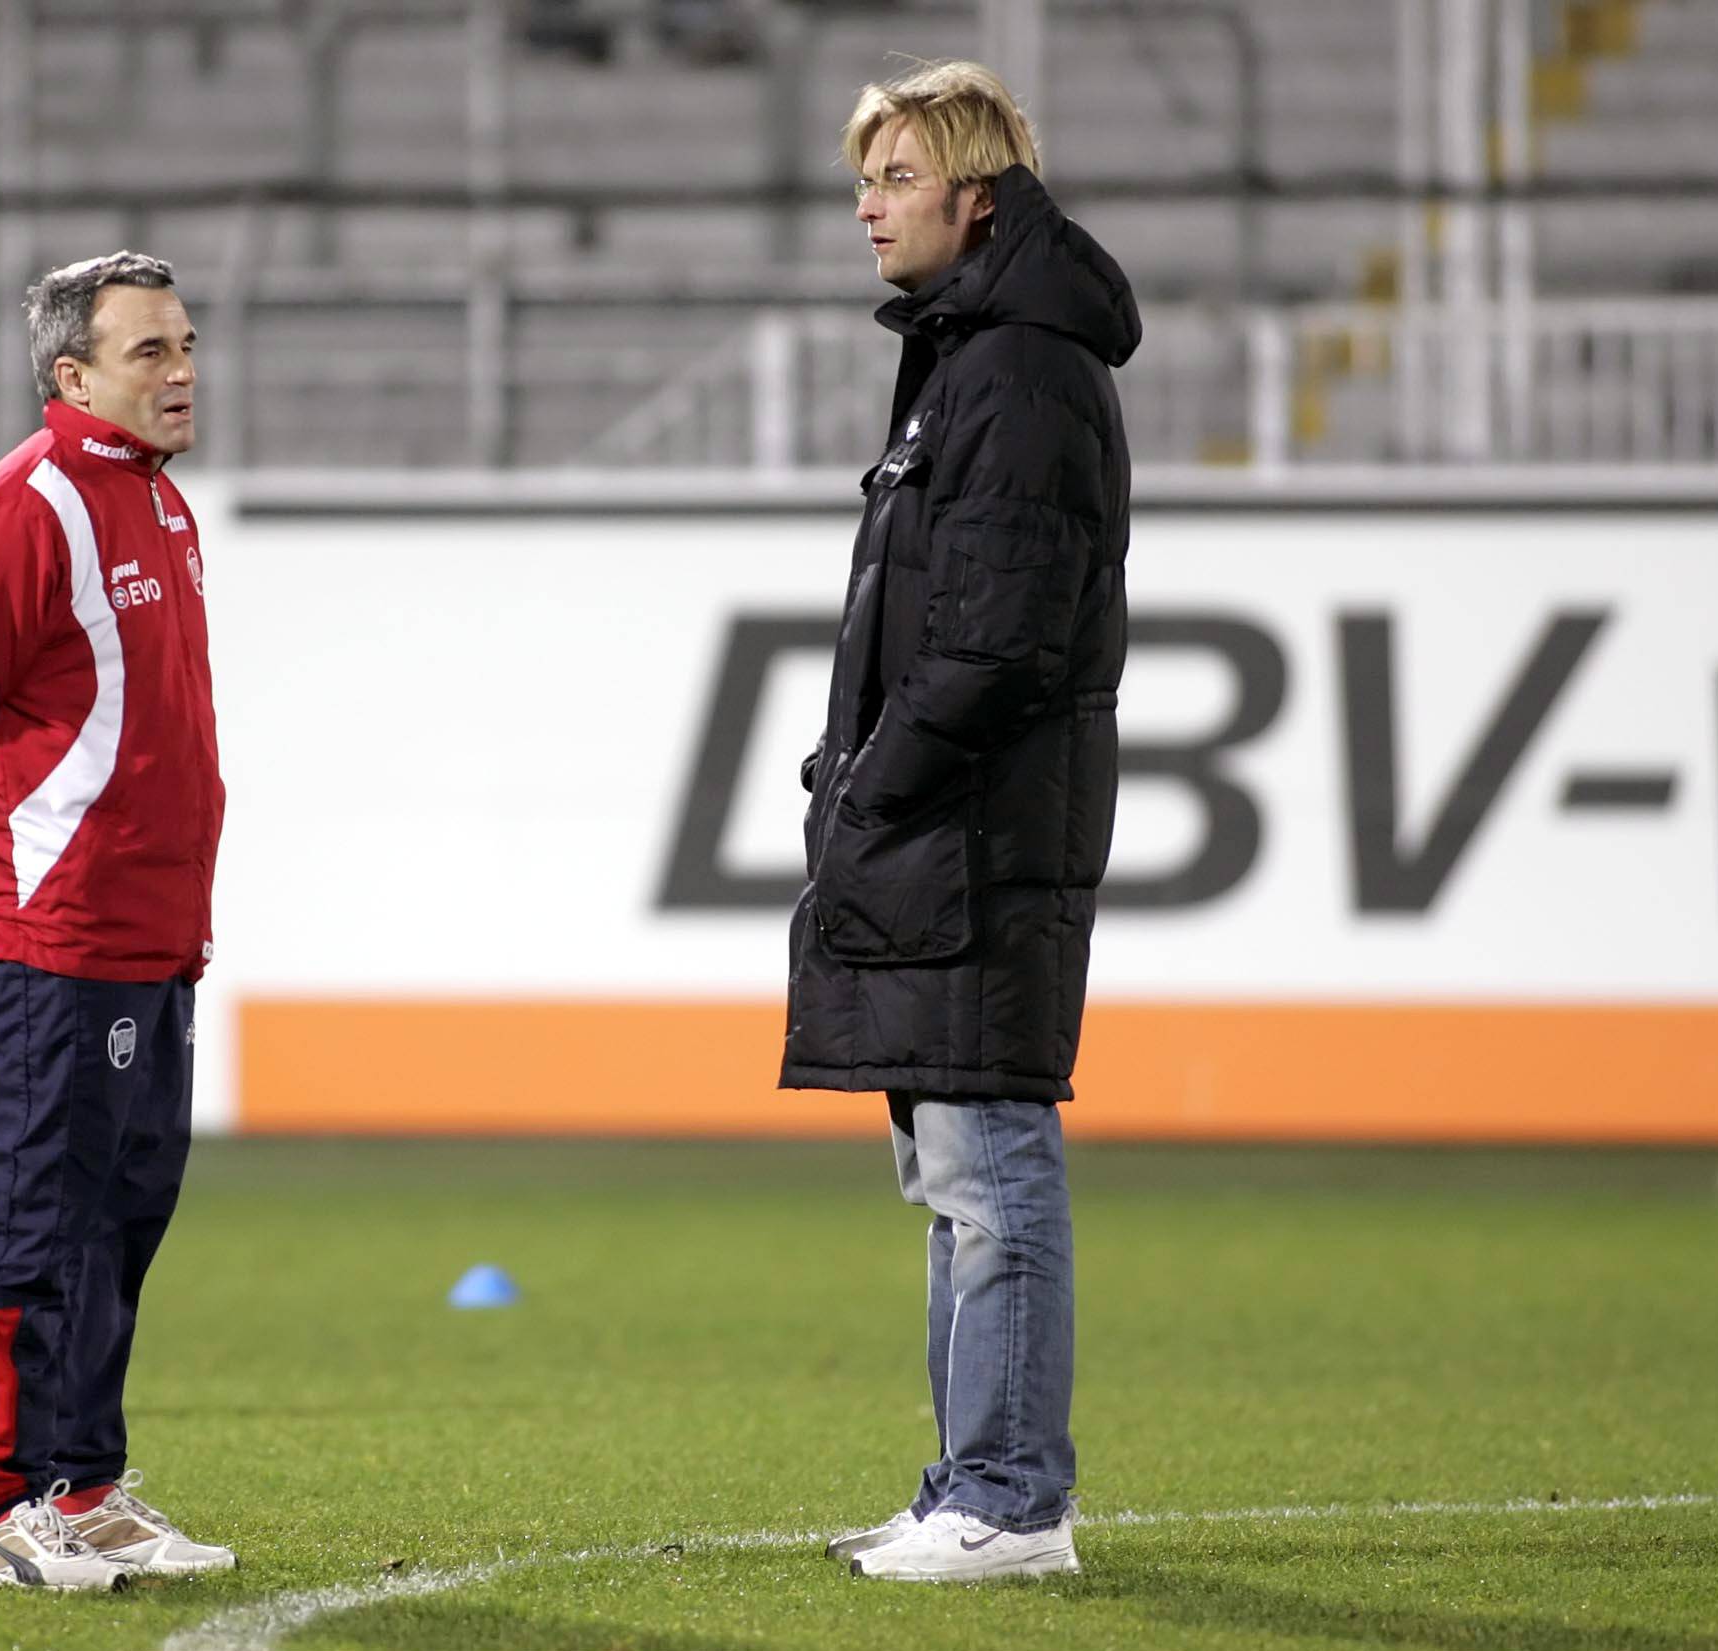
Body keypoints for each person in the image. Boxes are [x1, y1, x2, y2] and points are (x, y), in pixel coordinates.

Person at [782, 61, 1138, 1585]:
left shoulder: (1016, 372)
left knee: (989, 1172)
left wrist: (873, 783)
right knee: (950, 1175)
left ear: (974, 199)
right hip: (950, 833)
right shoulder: (975, 355)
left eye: (898, 180)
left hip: (980, 834)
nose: (869, 206)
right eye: (865, 181)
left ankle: (1010, 1499)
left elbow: (997, 641)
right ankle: (966, 1488)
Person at [0, 250, 237, 1592]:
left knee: (123, 1217)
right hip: (52, 931)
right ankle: (2, 1511)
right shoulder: (24, 511)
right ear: (70, 375)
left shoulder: (159, 506)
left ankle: (83, 1487)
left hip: (154, 935)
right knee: (39, 1220)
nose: (184, 372)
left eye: (188, 345)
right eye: (151, 352)